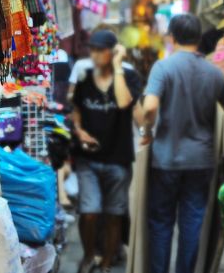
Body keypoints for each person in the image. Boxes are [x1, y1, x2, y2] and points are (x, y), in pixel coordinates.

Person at [141, 14, 224, 273]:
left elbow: (150, 106)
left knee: (161, 222)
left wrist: (147, 130)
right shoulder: (215, 73)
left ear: (172, 37)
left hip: (166, 158)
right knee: (192, 223)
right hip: (201, 159)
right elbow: (221, 113)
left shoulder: (163, 68)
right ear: (199, 39)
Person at [71, 29, 144, 273]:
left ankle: (106, 262)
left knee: (114, 214)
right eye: (92, 49)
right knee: (89, 211)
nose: (95, 54)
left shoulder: (129, 78)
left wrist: (118, 67)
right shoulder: (85, 77)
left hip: (118, 157)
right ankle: (90, 255)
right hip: (88, 158)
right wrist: (80, 131)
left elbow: (124, 103)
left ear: (112, 52)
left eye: (100, 50)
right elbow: (77, 110)